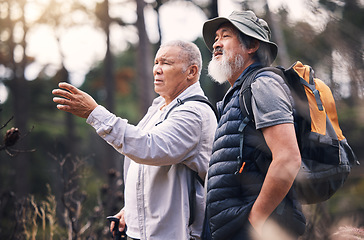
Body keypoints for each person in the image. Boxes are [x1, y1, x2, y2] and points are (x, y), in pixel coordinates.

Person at [52, 40, 217, 240]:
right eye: (156, 62)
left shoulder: (194, 113)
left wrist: (94, 113)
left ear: (191, 72)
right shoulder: (159, 108)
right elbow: (147, 171)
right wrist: (132, 211)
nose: (157, 69)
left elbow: (148, 147)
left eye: (166, 63)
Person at [201, 11, 306, 240]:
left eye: (226, 36)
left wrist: (255, 220)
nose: (216, 44)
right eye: (216, 38)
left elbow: (288, 157)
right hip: (231, 226)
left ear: (252, 45)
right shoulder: (236, 94)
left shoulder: (262, 84)